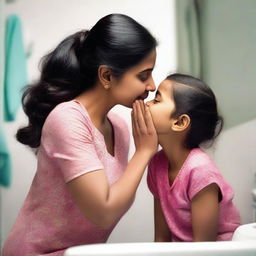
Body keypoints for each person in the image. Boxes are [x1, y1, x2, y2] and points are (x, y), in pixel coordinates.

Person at [2, 14, 158, 256]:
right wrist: (145, 152)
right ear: (106, 76)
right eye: (143, 75)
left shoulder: (120, 128)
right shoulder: (67, 119)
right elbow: (103, 212)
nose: (152, 85)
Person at [146, 73, 241, 242]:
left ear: (180, 122)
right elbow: (161, 239)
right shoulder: (156, 163)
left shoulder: (200, 171)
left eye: (156, 100)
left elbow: (204, 248)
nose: (147, 103)